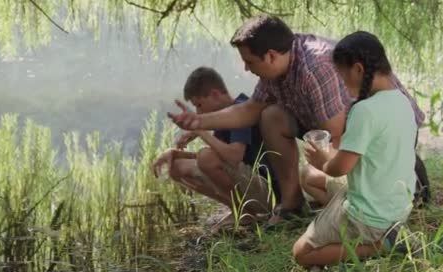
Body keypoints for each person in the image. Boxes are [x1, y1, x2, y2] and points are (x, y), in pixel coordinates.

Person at [167, 15, 426, 225]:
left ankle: (401, 187)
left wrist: (328, 168)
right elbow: (249, 110)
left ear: (270, 56)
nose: (246, 68)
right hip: (345, 125)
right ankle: (292, 205)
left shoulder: (315, 68)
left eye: (249, 61)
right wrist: (200, 121)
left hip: (385, 128)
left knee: (315, 177)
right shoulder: (275, 69)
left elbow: (337, 132)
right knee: (271, 116)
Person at [292, 31, 417, 267]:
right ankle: (341, 224)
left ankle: (379, 245)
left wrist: (323, 161)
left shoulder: (364, 110)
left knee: (301, 253)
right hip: (397, 208)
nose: (341, 81)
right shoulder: (402, 101)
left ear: (358, 69)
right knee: (309, 176)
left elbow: (339, 169)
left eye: (342, 74)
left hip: (370, 217)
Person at [152, 67, 280, 228]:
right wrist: (176, 154)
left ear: (215, 95)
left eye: (199, 105)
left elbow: (233, 157)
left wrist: (199, 129)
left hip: (270, 191)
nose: (198, 112)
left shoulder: (240, 111)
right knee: (176, 167)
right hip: (251, 184)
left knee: (206, 156)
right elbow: (221, 160)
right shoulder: (222, 120)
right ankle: (241, 210)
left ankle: (245, 213)